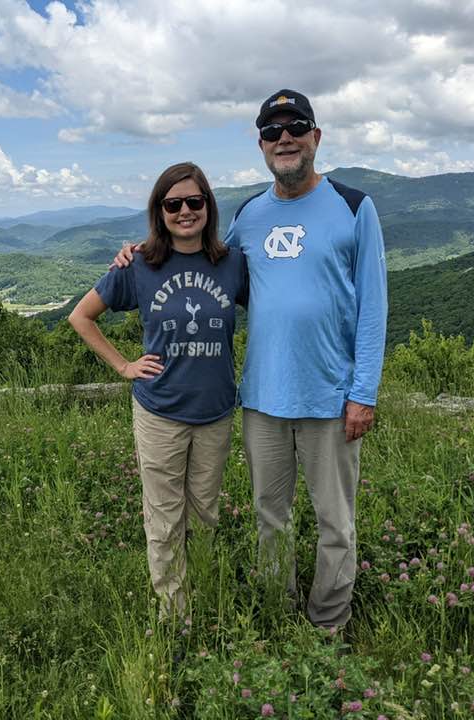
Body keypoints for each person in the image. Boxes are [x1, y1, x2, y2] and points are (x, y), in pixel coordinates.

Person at [114, 90, 387, 630]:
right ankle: (277, 615)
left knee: (335, 522)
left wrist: (364, 392)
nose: (284, 137)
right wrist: (136, 254)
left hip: (332, 398)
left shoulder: (355, 206)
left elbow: (375, 306)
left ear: (316, 137)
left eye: (295, 127)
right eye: (272, 131)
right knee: (271, 518)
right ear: (261, 145)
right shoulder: (250, 215)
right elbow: (204, 256)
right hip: (262, 398)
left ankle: (328, 624)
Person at [69, 161, 248, 621]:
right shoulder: (141, 264)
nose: (185, 211)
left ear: (208, 205)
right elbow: (81, 316)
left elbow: (277, 303)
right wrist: (124, 365)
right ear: (160, 210)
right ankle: (175, 615)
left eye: (195, 201)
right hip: (161, 412)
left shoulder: (231, 263)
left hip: (215, 410)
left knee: (205, 514)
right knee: (165, 518)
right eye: (174, 204)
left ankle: (203, 594)